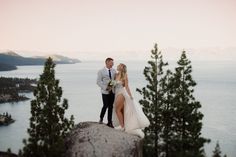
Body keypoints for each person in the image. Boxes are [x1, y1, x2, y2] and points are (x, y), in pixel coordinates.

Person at [113, 63, 150, 138]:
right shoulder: (116, 75)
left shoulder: (125, 75)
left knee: (117, 109)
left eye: (119, 65)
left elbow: (127, 87)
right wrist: (107, 89)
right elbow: (112, 84)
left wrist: (130, 96)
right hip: (116, 93)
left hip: (121, 93)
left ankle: (122, 126)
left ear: (122, 67)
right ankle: (123, 125)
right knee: (121, 110)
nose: (118, 66)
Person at [97, 58, 116, 128]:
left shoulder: (114, 71)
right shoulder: (101, 71)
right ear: (107, 63)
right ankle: (101, 118)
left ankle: (109, 122)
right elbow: (98, 82)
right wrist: (106, 87)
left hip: (112, 91)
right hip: (105, 92)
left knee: (111, 106)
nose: (113, 64)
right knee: (105, 105)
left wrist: (111, 86)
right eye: (111, 63)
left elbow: (114, 80)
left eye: (113, 63)